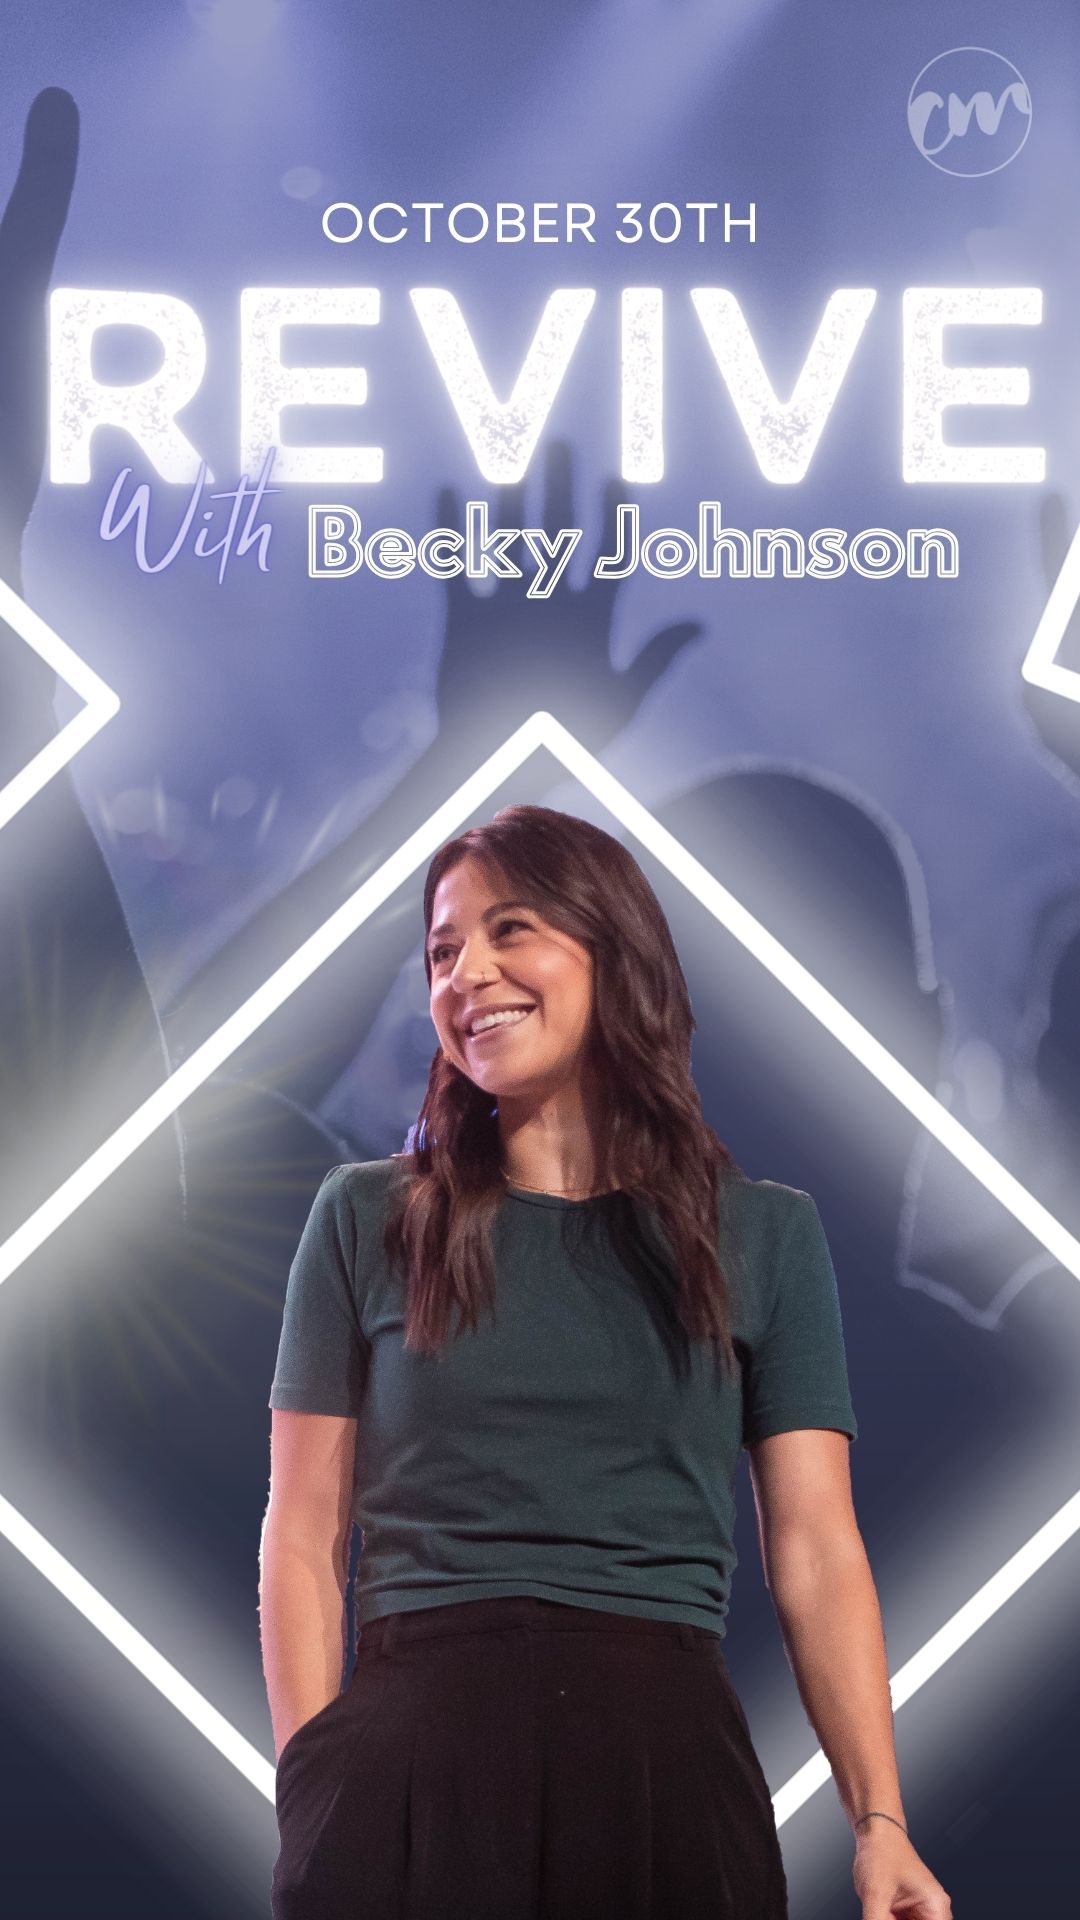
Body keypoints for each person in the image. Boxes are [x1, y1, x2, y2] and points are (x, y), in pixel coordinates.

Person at [260, 804, 952, 1920]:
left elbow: (818, 1548)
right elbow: (302, 1529)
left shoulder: (766, 1235)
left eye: (510, 930)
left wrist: (879, 1821)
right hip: (407, 1765)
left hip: (663, 1766)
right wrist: (312, 1783)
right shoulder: (365, 1217)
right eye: (442, 952)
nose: (467, 974)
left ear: (611, 949)